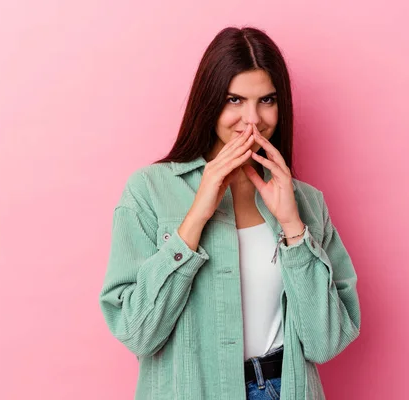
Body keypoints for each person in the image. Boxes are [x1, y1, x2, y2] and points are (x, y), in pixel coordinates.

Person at [99, 26, 361, 400]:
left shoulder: (306, 202)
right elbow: (136, 332)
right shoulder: (149, 190)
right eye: (234, 100)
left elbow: (326, 343)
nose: (252, 120)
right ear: (208, 103)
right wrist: (195, 219)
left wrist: (293, 228)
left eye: (266, 100)